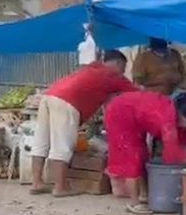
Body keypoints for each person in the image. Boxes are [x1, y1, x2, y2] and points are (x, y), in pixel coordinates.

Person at [31, 50, 136, 196]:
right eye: (123, 68)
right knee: (62, 145)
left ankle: (36, 183)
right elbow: (138, 94)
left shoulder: (92, 68)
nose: (123, 72)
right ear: (118, 63)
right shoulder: (113, 75)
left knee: (41, 141)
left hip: (49, 96)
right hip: (67, 102)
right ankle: (60, 187)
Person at [104, 91, 186, 214]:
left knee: (143, 154)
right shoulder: (165, 118)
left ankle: (145, 195)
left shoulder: (174, 113)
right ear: (183, 115)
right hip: (120, 114)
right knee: (132, 157)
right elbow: (171, 150)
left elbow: (182, 140)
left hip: (133, 114)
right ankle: (134, 202)